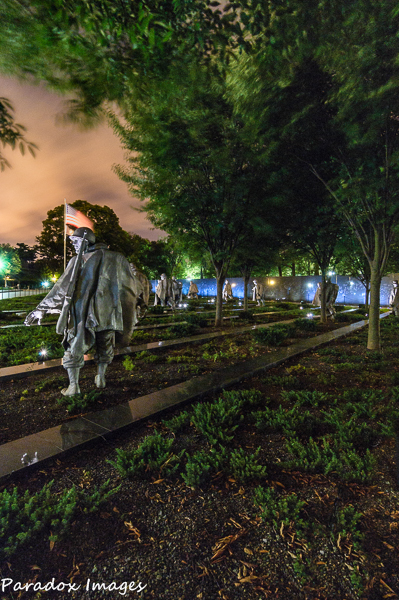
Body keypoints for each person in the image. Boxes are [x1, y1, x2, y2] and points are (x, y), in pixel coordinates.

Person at [24, 227, 138, 396]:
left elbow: (61, 288)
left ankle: (74, 386)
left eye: (76, 242)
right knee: (104, 345)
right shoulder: (118, 258)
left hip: (83, 313)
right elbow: (130, 287)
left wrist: (42, 308)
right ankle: (100, 377)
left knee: (74, 348)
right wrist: (130, 310)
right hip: (109, 313)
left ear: (87, 241)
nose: (74, 246)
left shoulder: (78, 260)